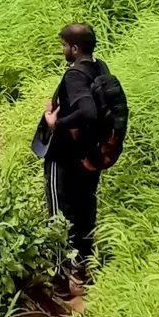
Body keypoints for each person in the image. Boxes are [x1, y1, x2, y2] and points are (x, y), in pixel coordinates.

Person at [41, 22, 125, 297]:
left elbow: (87, 111)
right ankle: (84, 269)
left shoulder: (74, 75)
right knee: (85, 208)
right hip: (90, 155)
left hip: (63, 155)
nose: (63, 50)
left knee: (58, 213)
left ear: (74, 48)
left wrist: (56, 123)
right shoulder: (101, 68)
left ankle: (61, 283)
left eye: (64, 45)